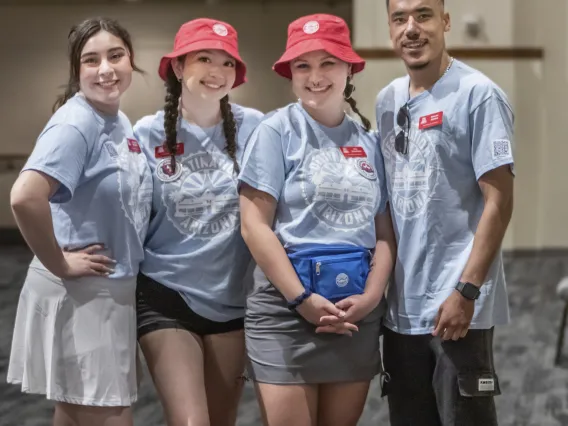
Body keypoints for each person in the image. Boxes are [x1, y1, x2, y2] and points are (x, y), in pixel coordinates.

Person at [238, 14, 396, 426]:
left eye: (328, 63)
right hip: (286, 312)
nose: (315, 76)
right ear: (290, 74)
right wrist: (301, 300)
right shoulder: (275, 132)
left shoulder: (370, 142)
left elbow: (383, 233)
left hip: (354, 312)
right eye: (303, 66)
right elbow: (254, 226)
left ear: (349, 68)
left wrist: (372, 298)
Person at [375, 1, 515, 425]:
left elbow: (499, 202)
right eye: (400, 19)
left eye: (423, 15)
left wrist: (466, 291)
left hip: (456, 310)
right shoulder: (387, 101)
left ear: (446, 21)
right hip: (400, 313)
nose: (411, 29)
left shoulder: (478, 95)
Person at [7, 17, 151, 426]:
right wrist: (59, 262)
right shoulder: (76, 123)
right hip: (83, 292)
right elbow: (24, 196)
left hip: (108, 289)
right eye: (92, 60)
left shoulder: (118, 121)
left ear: (130, 60)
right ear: (77, 70)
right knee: (110, 413)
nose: (105, 68)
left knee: (77, 409)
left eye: (115, 55)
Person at [132, 18, 264, 426]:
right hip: (165, 294)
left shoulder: (256, 128)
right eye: (204, 58)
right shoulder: (147, 132)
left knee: (222, 420)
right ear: (177, 67)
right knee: (192, 421)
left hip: (231, 298)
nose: (216, 72)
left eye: (227, 63)